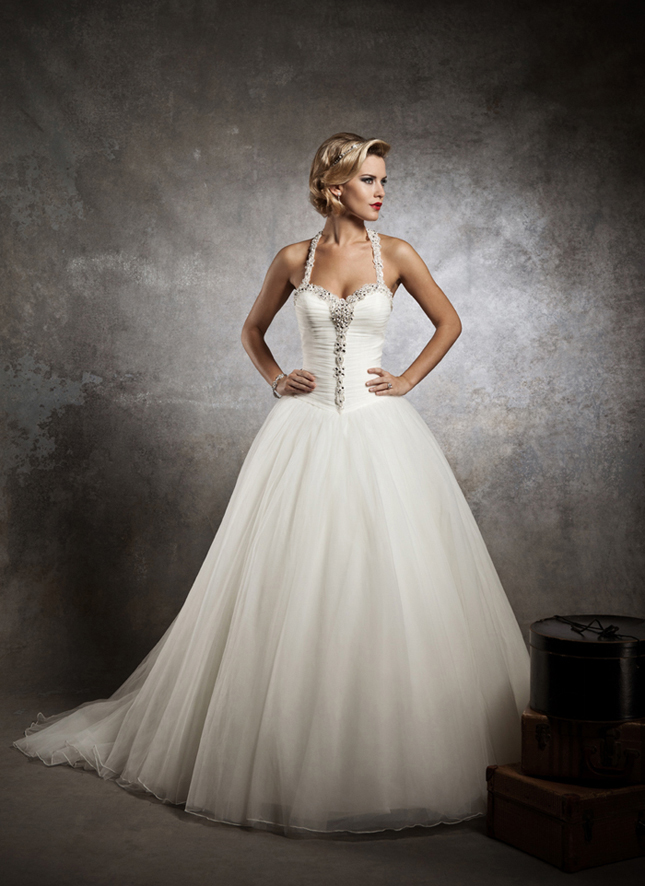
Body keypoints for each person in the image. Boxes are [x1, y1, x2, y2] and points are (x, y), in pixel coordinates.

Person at [14, 133, 530, 836]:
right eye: (369, 180)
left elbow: (450, 322)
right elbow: (253, 331)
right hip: (302, 431)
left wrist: (406, 379)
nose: (381, 191)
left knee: (392, 578)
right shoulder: (295, 259)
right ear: (334, 186)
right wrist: (275, 378)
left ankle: (387, 748)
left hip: (381, 433)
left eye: (384, 180)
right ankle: (288, 752)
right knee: (292, 581)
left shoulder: (399, 254)